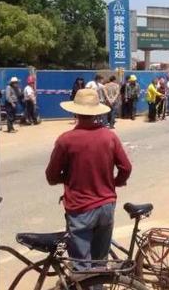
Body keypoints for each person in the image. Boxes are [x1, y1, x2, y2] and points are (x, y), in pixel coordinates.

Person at [46, 88, 132, 268]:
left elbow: (51, 176)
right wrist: (113, 183)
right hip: (106, 206)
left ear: (75, 112)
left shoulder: (66, 140)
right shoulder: (110, 137)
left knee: (82, 267)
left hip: (80, 209)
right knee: (100, 264)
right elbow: (126, 167)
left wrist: (68, 177)